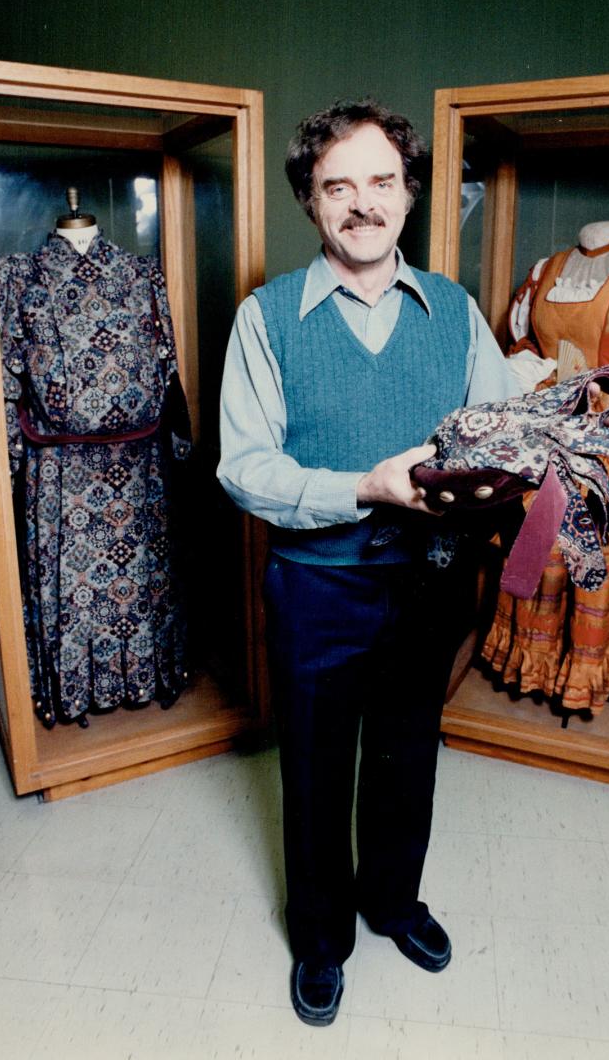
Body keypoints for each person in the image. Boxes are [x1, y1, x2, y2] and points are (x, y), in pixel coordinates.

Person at [217, 99, 517, 1027]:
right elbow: (243, 466)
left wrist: (501, 483)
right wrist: (367, 486)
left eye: (380, 181)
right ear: (309, 202)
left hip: (430, 580)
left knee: (407, 754)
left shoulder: (455, 313)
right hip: (319, 586)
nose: (362, 203)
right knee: (313, 768)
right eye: (336, 185)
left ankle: (391, 902)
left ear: (408, 193)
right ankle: (320, 937)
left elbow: (503, 438)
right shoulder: (265, 318)